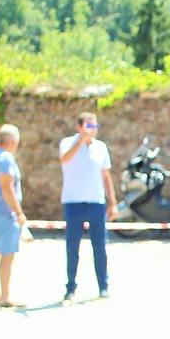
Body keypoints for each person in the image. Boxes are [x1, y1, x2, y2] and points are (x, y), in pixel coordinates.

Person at [59, 111, 118, 302]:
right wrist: (81, 140)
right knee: (72, 246)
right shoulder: (67, 143)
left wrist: (113, 201)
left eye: (94, 126)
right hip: (73, 202)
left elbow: (106, 176)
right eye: (88, 126)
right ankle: (70, 287)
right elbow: (65, 159)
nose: (91, 130)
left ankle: (103, 285)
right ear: (79, 126)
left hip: (96, 202)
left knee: (99, 246)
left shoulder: (101, 147)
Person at [0, 123, 27, 309]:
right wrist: (18, 212)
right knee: (7, 255)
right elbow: (7, 187)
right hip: (5, 213)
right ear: (11, 141)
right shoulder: (6, 159)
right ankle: (5, 296)